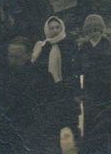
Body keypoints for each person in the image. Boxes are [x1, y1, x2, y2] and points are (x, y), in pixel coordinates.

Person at [0, 37, 52, 154]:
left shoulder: (42, 77)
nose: (14, 60)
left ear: (29, 55)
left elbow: (48, 111)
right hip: (5, 136)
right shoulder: (2, 77)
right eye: (11, 56)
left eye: (18, 56)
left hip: (30, 136)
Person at [31, 16, 80, 145]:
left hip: (67, 84)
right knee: (54, 117)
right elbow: (39, 66)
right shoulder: (44, 47)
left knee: (71, 114)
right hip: (51, 87)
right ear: (47, 30)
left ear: (62, 28)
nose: (55, 30)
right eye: (51, 28)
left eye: (57, 27)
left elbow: (75, 65)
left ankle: (76, 135)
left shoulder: (69, 43)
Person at [79, 14, 111, 138]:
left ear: (101, 30)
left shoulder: (107, 45)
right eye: (90, 31)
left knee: (104, 115)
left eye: (96, 30)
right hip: (89, 88)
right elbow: (79, 67)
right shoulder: (84, 48)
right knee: (90, 116)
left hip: (105, 87)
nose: (93, 33)